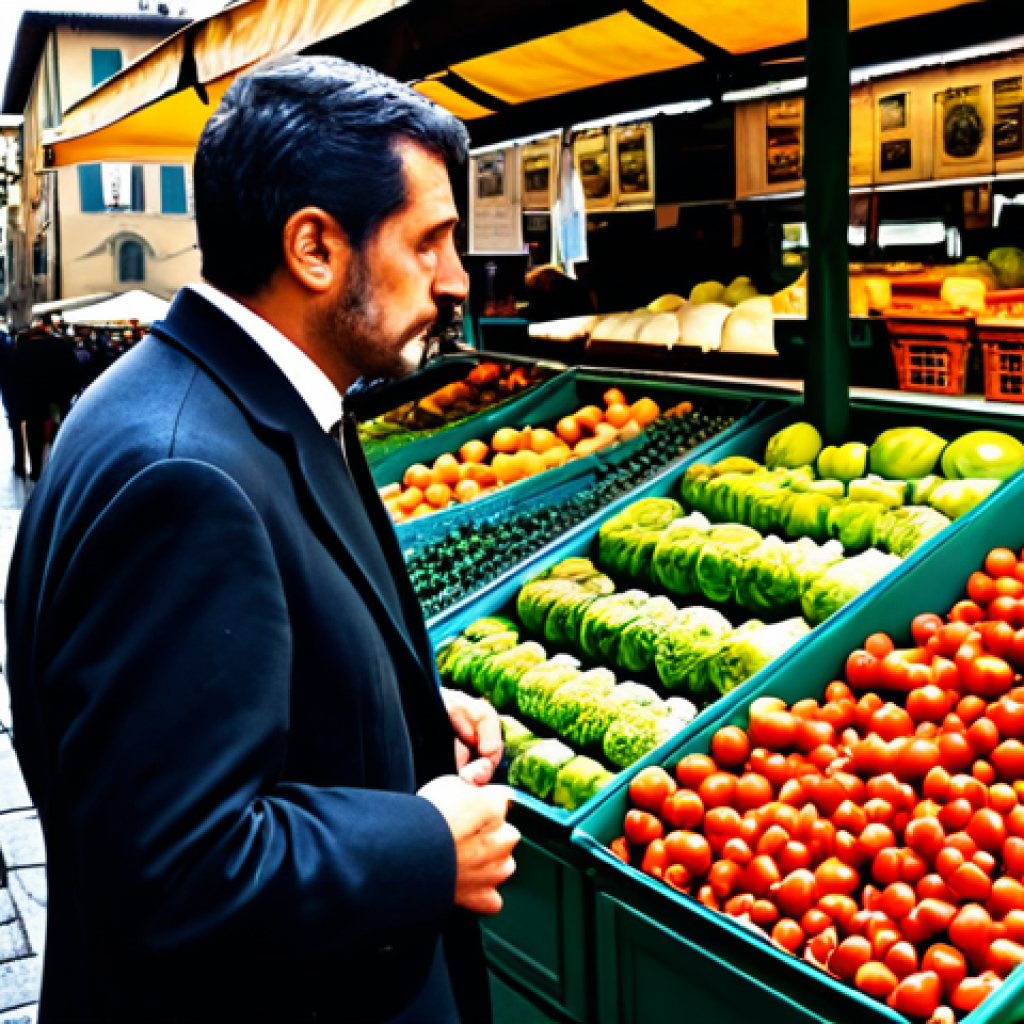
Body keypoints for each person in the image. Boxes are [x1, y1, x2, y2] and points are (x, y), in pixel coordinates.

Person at [6, 57, 519, 1024]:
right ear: (316, 249)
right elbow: (175, 867)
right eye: (432, 241)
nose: (455, 280)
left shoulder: (230, 407)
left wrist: (398, 711)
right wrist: (424, 843)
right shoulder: (184, 474)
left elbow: (208, 703)